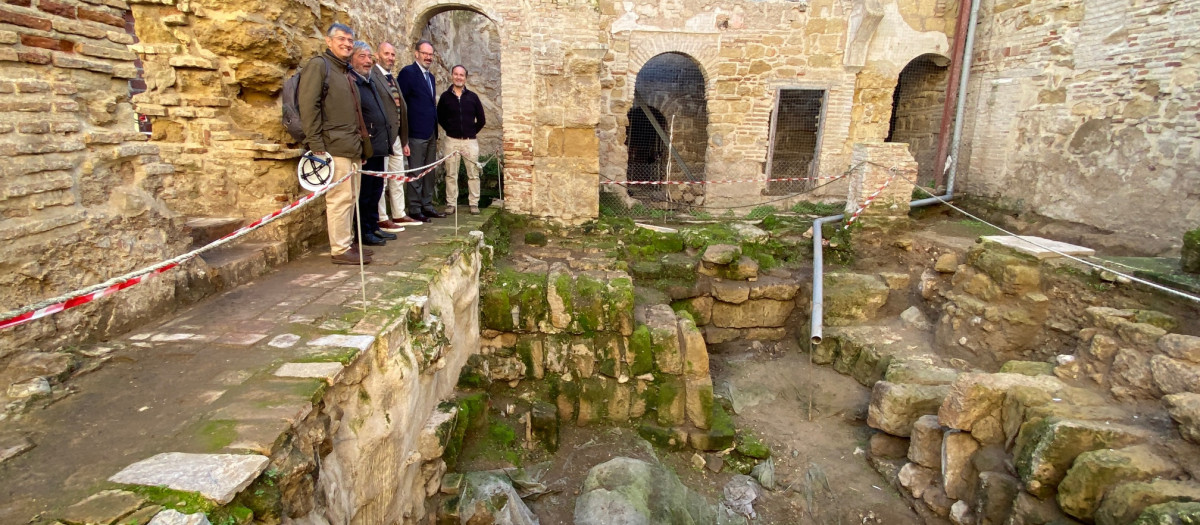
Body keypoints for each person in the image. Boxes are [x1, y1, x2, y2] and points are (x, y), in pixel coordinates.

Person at [298, 23, 373, 265]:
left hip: (351, 145)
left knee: (351, 197)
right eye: (341, 39)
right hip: (333, 145)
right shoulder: (320, 66)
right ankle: (340, 249)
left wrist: (362, 147)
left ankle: (347, 242)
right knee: (339, 198)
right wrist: (315, 142)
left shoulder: (345, 71)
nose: (347, 44)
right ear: (329, 42)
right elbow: (309, 106)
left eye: (350, 40)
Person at [348, 41, 398, 247]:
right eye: (362, 56)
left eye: (369, 57)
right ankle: (363, 231)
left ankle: (373, 226)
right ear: (352, 59)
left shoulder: (369, 82)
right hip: (367, 148)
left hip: (379, 145)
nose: (368, 61)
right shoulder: (352, 82)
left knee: (376, 189)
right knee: (365, 192)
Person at [372, 42, 422, 231]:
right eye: (387, 54)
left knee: (398, 176)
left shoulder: (391, 78)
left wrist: (404, 139)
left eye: (393, 54)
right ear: (378, 55)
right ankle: (382, 217)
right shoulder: (374, 77)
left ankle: (399, 214)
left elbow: (400, 109)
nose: (391, 58)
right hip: (383, 137)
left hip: (397, 138)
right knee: (382, 179)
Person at [396, 39, 445, 221]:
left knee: (429, 172)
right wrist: (404, 136)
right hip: (415, 132)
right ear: (416, 53)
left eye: (431, 54)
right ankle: (415, 208)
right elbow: (401, 104)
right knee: (416, 171)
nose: (428, 57)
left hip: (430, 132)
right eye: (425, 53)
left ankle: (427, 204)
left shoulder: (430, 77)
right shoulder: (408, 73)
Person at [436, 65, 486, 215]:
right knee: (451, 174)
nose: (458, 77)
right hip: (452, 140)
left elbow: (482, 119)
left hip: (470, 141)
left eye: (462, 75)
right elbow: (440, 117)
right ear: (452, 76)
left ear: (465, 78)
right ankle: (451, 203)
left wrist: (471, 132)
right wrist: (451, 130)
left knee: (473, 173)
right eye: (456, 74)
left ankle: (474, 203)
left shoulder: (473, 97)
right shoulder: (445, 97)